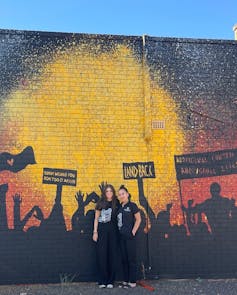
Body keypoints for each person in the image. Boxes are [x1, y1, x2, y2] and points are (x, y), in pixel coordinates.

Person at [92, 184, 119, 289]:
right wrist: (95, 232)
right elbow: (96, 218)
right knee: (102, 256)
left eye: (111, 191)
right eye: (107, 191)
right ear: (104, 193)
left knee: (112, 256)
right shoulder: (100, 203)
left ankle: (110, 281)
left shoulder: (116, 203)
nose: (109, 193)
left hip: (113, 233)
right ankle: (102, 280)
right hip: (102, 232)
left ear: (113, 192)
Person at [117, 185, 141, 288]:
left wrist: (133, 232)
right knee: (124, 259)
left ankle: (132, 281)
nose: (121, 196)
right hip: (121, 237)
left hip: (129, 237)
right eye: (119, 194)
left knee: (131, 259)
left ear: (127, 194)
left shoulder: (132, 205)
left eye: (123, 193)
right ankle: (126, 280)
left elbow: (139, 219)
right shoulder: (120, 207)